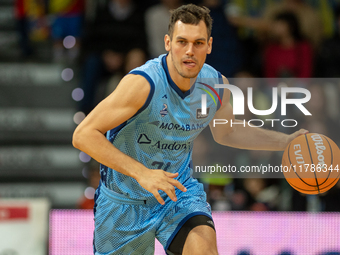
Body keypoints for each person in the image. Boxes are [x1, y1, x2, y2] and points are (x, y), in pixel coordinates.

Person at [73, 4, 307, 255]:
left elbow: (228, 132)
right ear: (167, 42)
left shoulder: (215, 85)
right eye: (182, 41)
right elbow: (83, 135)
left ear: (209, 45)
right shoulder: (142, 84)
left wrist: (285, 141)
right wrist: (142, 173)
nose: (189, 51)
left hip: (178, 193)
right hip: (124, 202)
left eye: (198, 43)